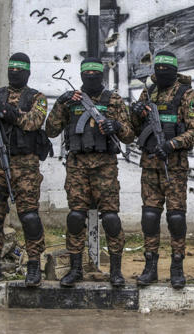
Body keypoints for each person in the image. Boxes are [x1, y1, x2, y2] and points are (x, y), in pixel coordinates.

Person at [46, 57, 135, 287]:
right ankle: (76, 268)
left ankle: (115, 270)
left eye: (96, 74)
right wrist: (61, 102)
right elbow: (51, 130)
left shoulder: (113, 100)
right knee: (75, 218)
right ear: (82, 75)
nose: (92, 77)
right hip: (77, 166)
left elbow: (129, 135)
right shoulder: (72, 100)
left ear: (102, 74)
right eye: (88, 74)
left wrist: (115, 126)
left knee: (111, 219)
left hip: (105, 166)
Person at [0, 53, 51, 287]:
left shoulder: (37, 97)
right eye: (12, 69)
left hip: (26, 166)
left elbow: (34, 122)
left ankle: (34, 266)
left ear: (27, 73)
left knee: (29, 217)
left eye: (19, 70)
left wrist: (12, 113)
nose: (15, 73)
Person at [130, 51, 194, 289]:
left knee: (175, 217)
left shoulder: (187, 94)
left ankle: (177, 265)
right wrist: (137, 114)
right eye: (158, 69)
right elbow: (133, 130)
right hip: (150, 165)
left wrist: (171, 145)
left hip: (175, 167)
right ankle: (150, 266)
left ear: (175, 71)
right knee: (149, 216)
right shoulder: (148, 92)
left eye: (166, 69)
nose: (161, 73)